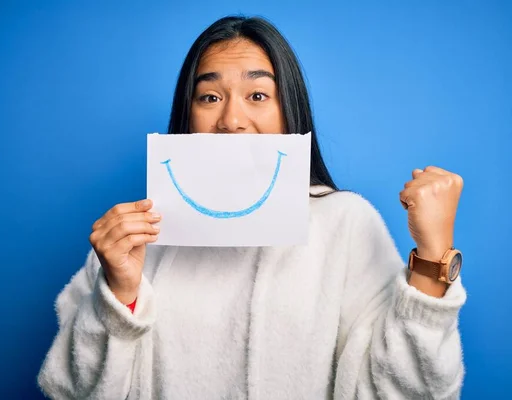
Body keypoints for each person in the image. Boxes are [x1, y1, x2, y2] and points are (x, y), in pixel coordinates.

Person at [37, 16, 466, 399]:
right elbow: (70, 391)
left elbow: (408, 393)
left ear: (289, 111)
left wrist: (432, 257)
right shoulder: (135, 237)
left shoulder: (347, 224)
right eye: (209, 97)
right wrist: (120, 294)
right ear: (187, 117)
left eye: (257, 95)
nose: (231, 120)